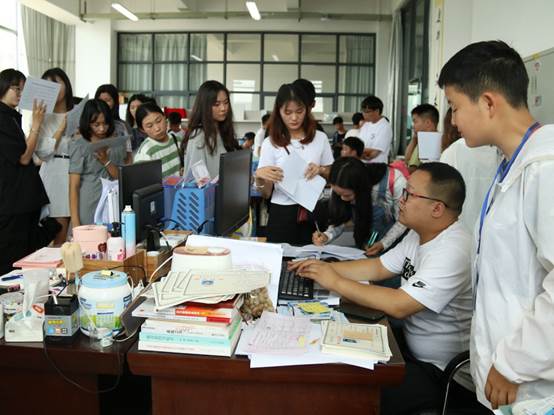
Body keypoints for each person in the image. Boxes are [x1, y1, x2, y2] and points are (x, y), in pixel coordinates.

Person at [291, 162, 485, 415]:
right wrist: (320, 268)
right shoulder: (419, 235)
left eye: (409, 194)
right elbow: (377, 268)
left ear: (437, 208)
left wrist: (334, 281)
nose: (401, 200)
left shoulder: (454, 249)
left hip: (442, 373)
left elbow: (399, 305)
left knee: (349, 391)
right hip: (411, 349)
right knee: (336, 364)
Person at [438, 40, 554, 410]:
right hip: (505, 375)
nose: (453, 121)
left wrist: (514, 364)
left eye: (455, 106)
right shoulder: (510, 165)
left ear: (488, 103)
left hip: (529, 383)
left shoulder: (545, 170)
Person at [255, 83, 334, 245]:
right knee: (282, 257)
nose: (294, 118)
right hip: (282, 213)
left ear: (307, 109)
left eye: (299, 111)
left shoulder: (320, 138)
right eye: (288, 112)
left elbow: (332, 174)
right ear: (279, 111)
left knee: (313, 257)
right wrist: (259, 178)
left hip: (313, 210)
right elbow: (266, 194)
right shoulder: (270, 143)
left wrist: (320, 170)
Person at [0, 68, 60, 274]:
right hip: (12, 201)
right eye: (16, 88)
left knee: (26, 256)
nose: (20, 94)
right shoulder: (2, 118)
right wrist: (36, 124)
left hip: (20, 199)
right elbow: (24, 157)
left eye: (23, 89)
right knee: (13, 261)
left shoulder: (11, 116)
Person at [312, 157, 407, 255]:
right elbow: (341, 217)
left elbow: (403, 221)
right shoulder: (339, 182)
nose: (343, 199)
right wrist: (327, 236)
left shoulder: (395, 182)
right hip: (367, 242)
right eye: (338, 194)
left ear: (361, 189)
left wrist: (384, 243)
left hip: (396, 246)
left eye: (347, 195)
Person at [69, 99, 126, 227]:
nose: (102, 128)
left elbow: (120, 177)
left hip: (113, 202)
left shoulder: (117, 142)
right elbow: (74, 186)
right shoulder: (79, 145)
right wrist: (75, 222)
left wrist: (106, 160)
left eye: (105, 124)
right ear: (87, 123)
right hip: (89, 202)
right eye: (96, 124)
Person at [33, 67, 74, 246]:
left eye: (57, 83)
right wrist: (61, 129)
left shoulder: (77, 112)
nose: (54, 88)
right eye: (48, 85)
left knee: (79, 231)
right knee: (59, 232)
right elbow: (43, 152)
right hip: (54, 173)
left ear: (66, 84)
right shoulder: (42, 117)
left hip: (78, 173)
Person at [182, 80, 238, 179]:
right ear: (204, 106)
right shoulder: (199, 137)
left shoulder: (222, 130)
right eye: (216, 104)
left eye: (226, 102)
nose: (223, 108)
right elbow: (197, 181)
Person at [135, 102, 183, 178]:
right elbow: (142, 182)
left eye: (159, 121)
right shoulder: (145, 153)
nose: (157, 128)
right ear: (142, 129)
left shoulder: (177, 140)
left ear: (165, 117)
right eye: (149, 126)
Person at [95, 84, 132, 163]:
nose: (103, 104)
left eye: (107, 100)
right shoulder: (89, 125)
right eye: (100, 100)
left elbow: (128, 155)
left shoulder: (121, 126)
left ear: (115, 102)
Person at [404, 104, 440, 172]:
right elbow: (407, 160)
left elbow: (417, 169)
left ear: (428, 123)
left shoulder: (430, 141)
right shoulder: (422, 139)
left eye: (415, 122)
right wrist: (414, 139)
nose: (413, 126)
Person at [358, 95, 393, 163]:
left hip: (376, 167)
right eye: (363, 111)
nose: (364, 114)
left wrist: (356, 151)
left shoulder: (384, 127)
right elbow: (358, 145)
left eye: (367, 112)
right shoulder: (365, 125)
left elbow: (373, 154)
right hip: (362, 165)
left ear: (377, 111)